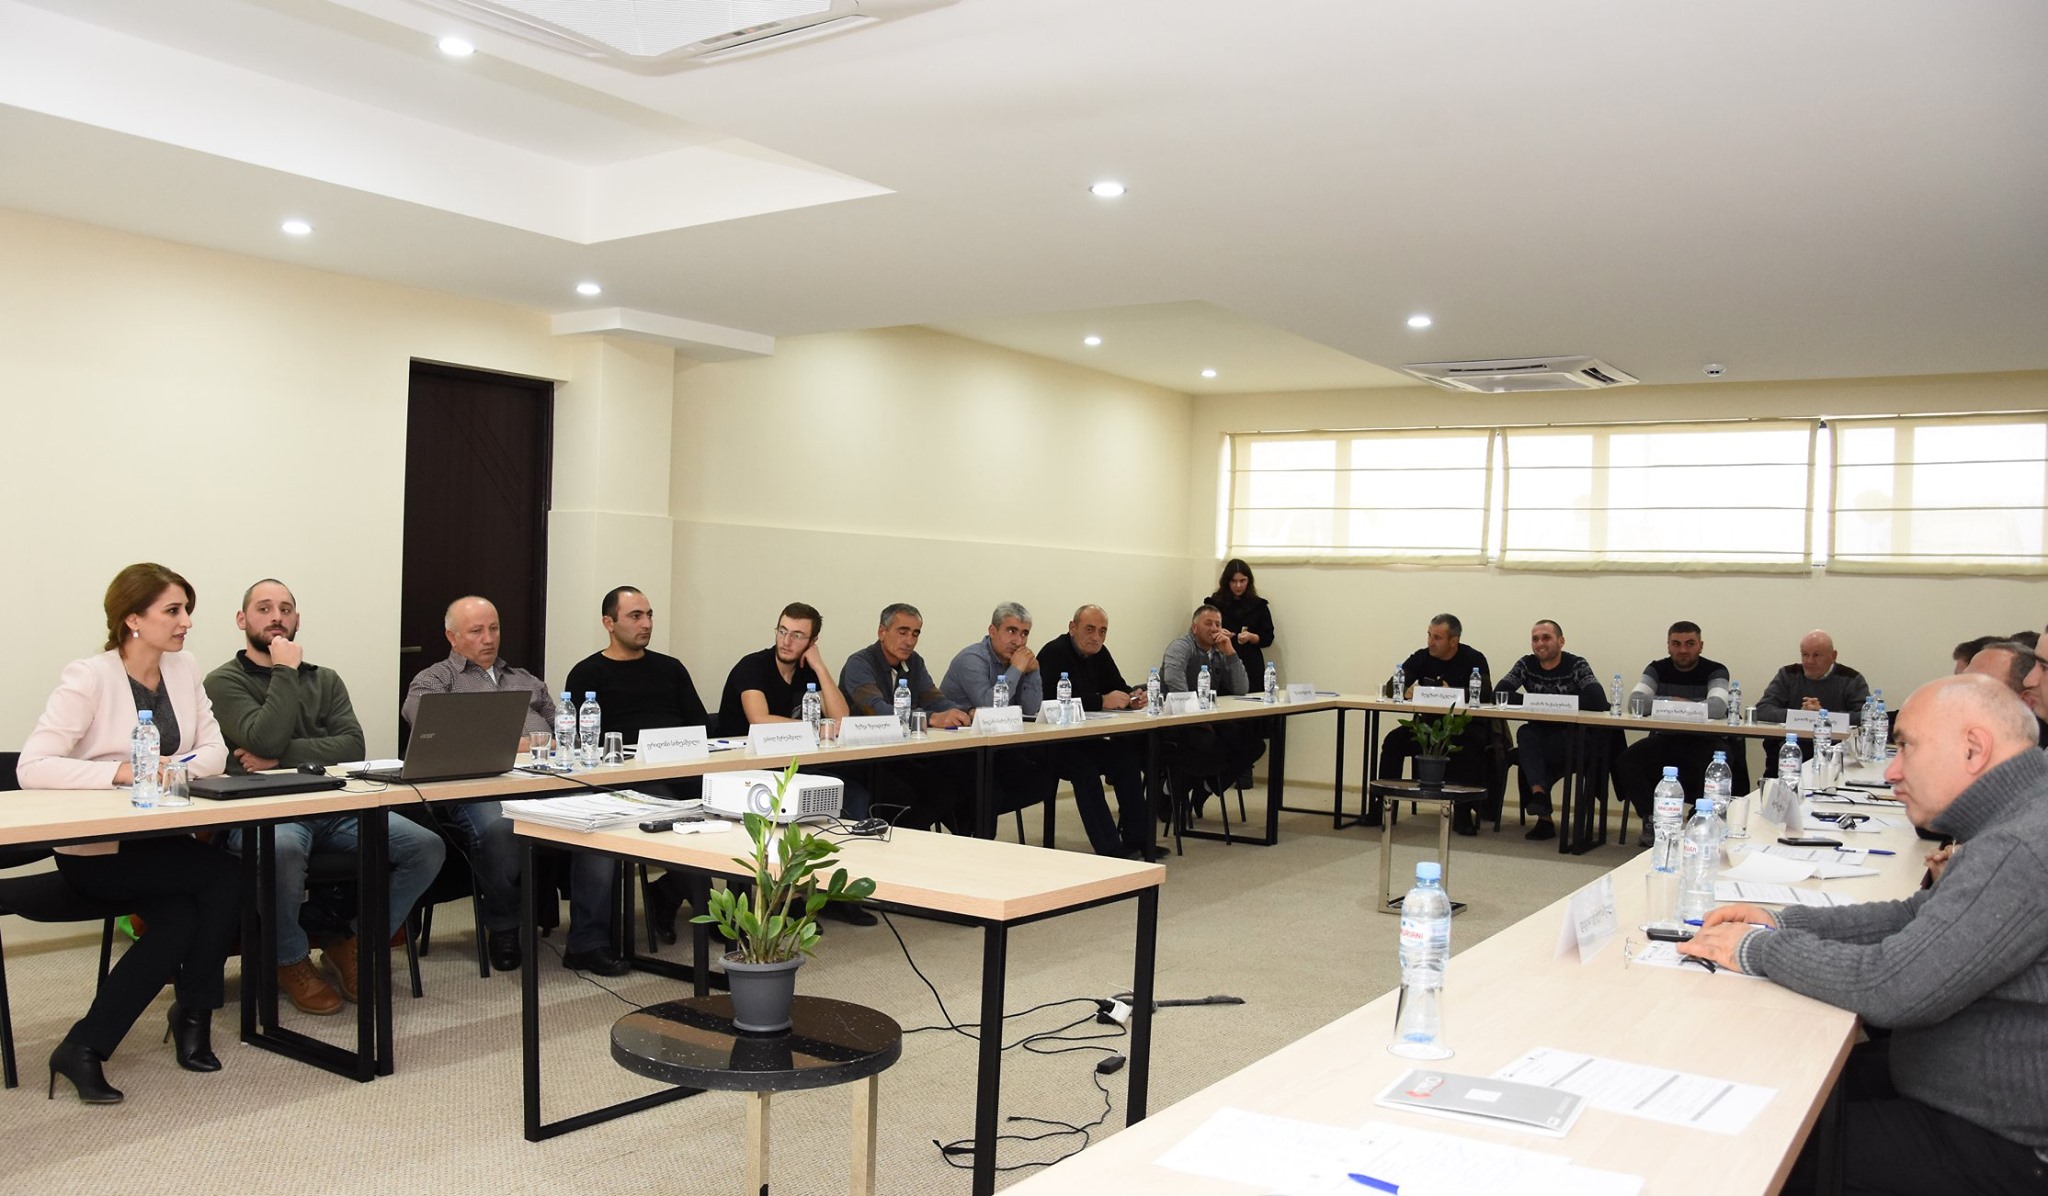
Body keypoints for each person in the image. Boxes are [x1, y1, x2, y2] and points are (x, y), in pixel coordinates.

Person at [1680, 675, 2048, 1195]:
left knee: (1751, 1146)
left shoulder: (2020, 844)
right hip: (1962, 1085)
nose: (1893, 770)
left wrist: (1756, 948)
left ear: (1974, 748)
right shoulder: (2023, 812)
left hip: (2001, 1140)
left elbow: (1893, 987)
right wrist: (1782, 921)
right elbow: (1915, 914)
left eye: (1907, 747)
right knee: (1776, 1078)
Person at [19, 563, 240, 1104]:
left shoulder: (184, 669)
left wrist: (167, 768)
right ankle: (193, 1015)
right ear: (132, 619)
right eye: (174, 610)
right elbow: (33, 766)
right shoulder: (89, 676)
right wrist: (122, 771)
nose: (187, 622)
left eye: (187, 610)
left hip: (160, 841)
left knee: (180, 920)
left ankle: (86, 1045)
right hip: (97, 852)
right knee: (226, 876)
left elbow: (214, 751)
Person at [204, 579, 444, 1016]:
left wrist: (277, 758)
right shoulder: (222, 681)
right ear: (242, 619)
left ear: (297, 619)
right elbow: (263, 735)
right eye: (264, 608)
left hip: (333, 806)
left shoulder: (325, 679)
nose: (276, 617)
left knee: (426, 847)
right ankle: (289, 959)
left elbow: (352, 746)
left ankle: (354, 942)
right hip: (265, 812)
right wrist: (284, 671)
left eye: (285, 609)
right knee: (281, 849)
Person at [403, 595, 624, 976]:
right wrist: (526, 744)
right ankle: (504, 927)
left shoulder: (525, 679)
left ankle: (589, 941)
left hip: (547, 780)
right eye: (476, 631)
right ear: (452, 637)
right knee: (500, 829)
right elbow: (429, 728)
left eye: (494, 628)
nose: (489, 638)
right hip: (479, 789)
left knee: (599, 819)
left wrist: (543, 743)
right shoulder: (436, 679)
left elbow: (567, 732)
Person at [712, 601, 878, 925]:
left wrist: (820, 667)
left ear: (812, 642)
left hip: (794, 767)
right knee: (794, 806)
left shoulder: (807, 673)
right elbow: (759, 719)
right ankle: (784, 901)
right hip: (746, 769)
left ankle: (836, 894)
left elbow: (841, 720)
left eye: (798, 636)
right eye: (782, 631)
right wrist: (814, 728)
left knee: (855, 797)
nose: (786, 641)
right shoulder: (752, 666)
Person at [941, 602, 1122, 857]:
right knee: (990, 792)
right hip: (959, 750)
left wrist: (1033, 673)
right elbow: (990, 704)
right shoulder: (972, 659)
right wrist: (1017, 669)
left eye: (1024, 633)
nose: (1018, 641)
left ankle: (969, 819)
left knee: (1041, 781)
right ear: (992, 631)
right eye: (1011, 631)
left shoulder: (1019, 662)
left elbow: (1031, 709)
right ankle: (975, 837)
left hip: (999, 747)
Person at [1037, 604, 1159, 859]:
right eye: (1090, 629)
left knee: (1126, 759)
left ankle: (1140, 839)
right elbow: (1049, 703)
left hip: (1084, 739)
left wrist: (1132, 697)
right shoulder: (1054, 653)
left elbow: (1118, 686)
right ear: (1072, 628)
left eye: (1102, 631)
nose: (1096, 637)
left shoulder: (1100, 653)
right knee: (1085, 771)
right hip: (1051, 742)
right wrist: (1101, 700)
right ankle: (1110, 848)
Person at [841, 603, 975, 830]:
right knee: (906, 795)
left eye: (915, 634)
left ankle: (962, 840)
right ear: (882, 632)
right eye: (902, 632)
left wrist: (966, 712)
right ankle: (903, 840)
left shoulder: (914, 662)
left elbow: (935, 699)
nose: (909, 641)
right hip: (862, 759)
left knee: (953, 784)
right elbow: (876, 711)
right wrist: (931, 718)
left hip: (899, 754)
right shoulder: (859, 663)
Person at [1611, 620, 1735, 846]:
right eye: (1676, 644)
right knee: (1627, 760)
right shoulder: (1656, 669)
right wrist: (1679, 702)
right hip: (1666, 738)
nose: (1683, 650)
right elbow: (1636, 702)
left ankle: (1700, 820)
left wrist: (1666, 703)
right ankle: (1652, 819)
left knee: (1718, 760)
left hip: (1704, 740)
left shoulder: (1716, 670)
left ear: (1701, 646)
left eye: (1690, 643)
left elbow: (1717, 708)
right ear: (1668, 646)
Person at [1374, 613, 1492, 834]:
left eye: (1437, 637)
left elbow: (1486, 693)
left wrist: (1453, 693)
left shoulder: (1473, 659)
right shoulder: (1422, 657)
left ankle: (1463, 814)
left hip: (1462, 727)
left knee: (1471, 745)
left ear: (1453, 641)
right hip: (1426, 727)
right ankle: (1382, 808)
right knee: (1393, 741)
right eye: (1429, 635)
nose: (1430, 642)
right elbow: (1392, 685)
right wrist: (1405, 690)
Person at [1491, 619, 1605, 841]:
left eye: (1546, 638)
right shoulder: (1526, 664)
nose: (1540, 644)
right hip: (1540, 735)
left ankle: (1543, 813)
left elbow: (1597, 699)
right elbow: (1499, 694)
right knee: (1526, 734)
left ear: (1561, 641)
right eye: (1535, 639)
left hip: (1573, 736)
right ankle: (1540, 796)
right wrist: (1536, 702)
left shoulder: (1577, 665)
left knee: (1531, 750)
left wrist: (1550, 702)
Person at [1158, 604, 1263, 813]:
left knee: (1253, 745)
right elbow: (1174, 682)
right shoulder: (1181, 646)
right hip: (1177, 720)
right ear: (1194, 628)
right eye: (1208, 623)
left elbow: (1241, 688)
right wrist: (1198, 718)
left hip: (1207, 718)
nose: (1214, 628)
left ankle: (1206, 787)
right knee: (1212, 748)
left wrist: (1230, 652)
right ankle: (1167, 790)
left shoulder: (1218, 651)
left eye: (1218, 624)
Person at [1755, 629, 1872, 778]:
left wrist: (1823, 716)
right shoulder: (1788, 674)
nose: (1809, 661)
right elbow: (1762, 709)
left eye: (1817, 655)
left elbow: (1865, 716)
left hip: (1835, 757)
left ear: (1833, 656)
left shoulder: (1851, 678)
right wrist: (1800, 716)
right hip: (1787, 754)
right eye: (1805, 654)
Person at [1207, 558, 1277, 791]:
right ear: (1226, 582)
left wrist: (1251, 637)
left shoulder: (1258, 605)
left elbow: (1268, 637)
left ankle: (1245, 769)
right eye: (1234, 581)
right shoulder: (1214, 603)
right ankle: (1221, 766)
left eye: (1243, 581)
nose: (1238, 586)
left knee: (1249, 716)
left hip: (1250, 662)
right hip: (1221, 661)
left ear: (1249, 581)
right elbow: (1204, 631)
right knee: (1225, 713)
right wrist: (1221, 633)